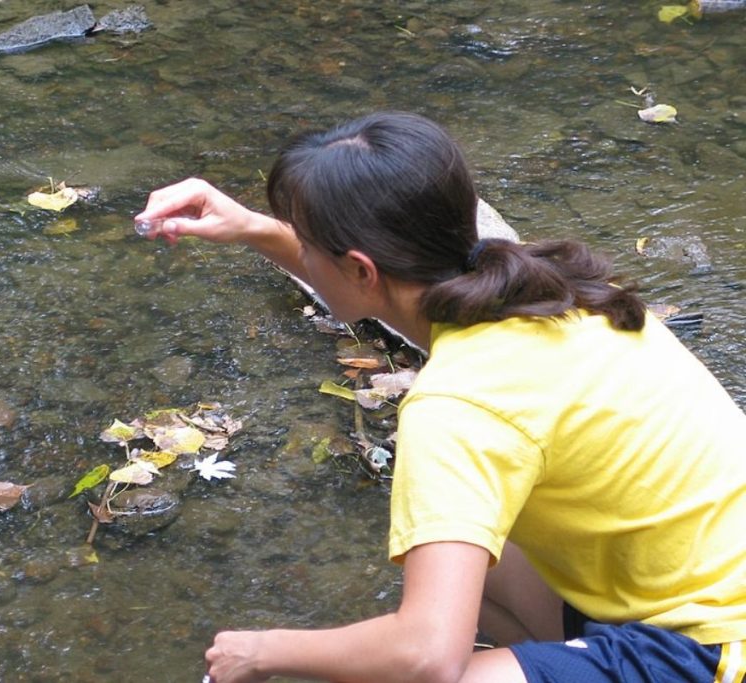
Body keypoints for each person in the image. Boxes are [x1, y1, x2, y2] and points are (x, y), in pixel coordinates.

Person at [135, 111, 746, 683]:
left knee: (418, 657)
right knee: (457, 546)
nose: (303, 253)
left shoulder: (456, 407)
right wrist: (256, 230)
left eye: (308, 244)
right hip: (696, 578)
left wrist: (264, 651)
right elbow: (392, 296)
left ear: (360, 270)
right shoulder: (554, 290)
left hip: (716, 645)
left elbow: (426, 655)